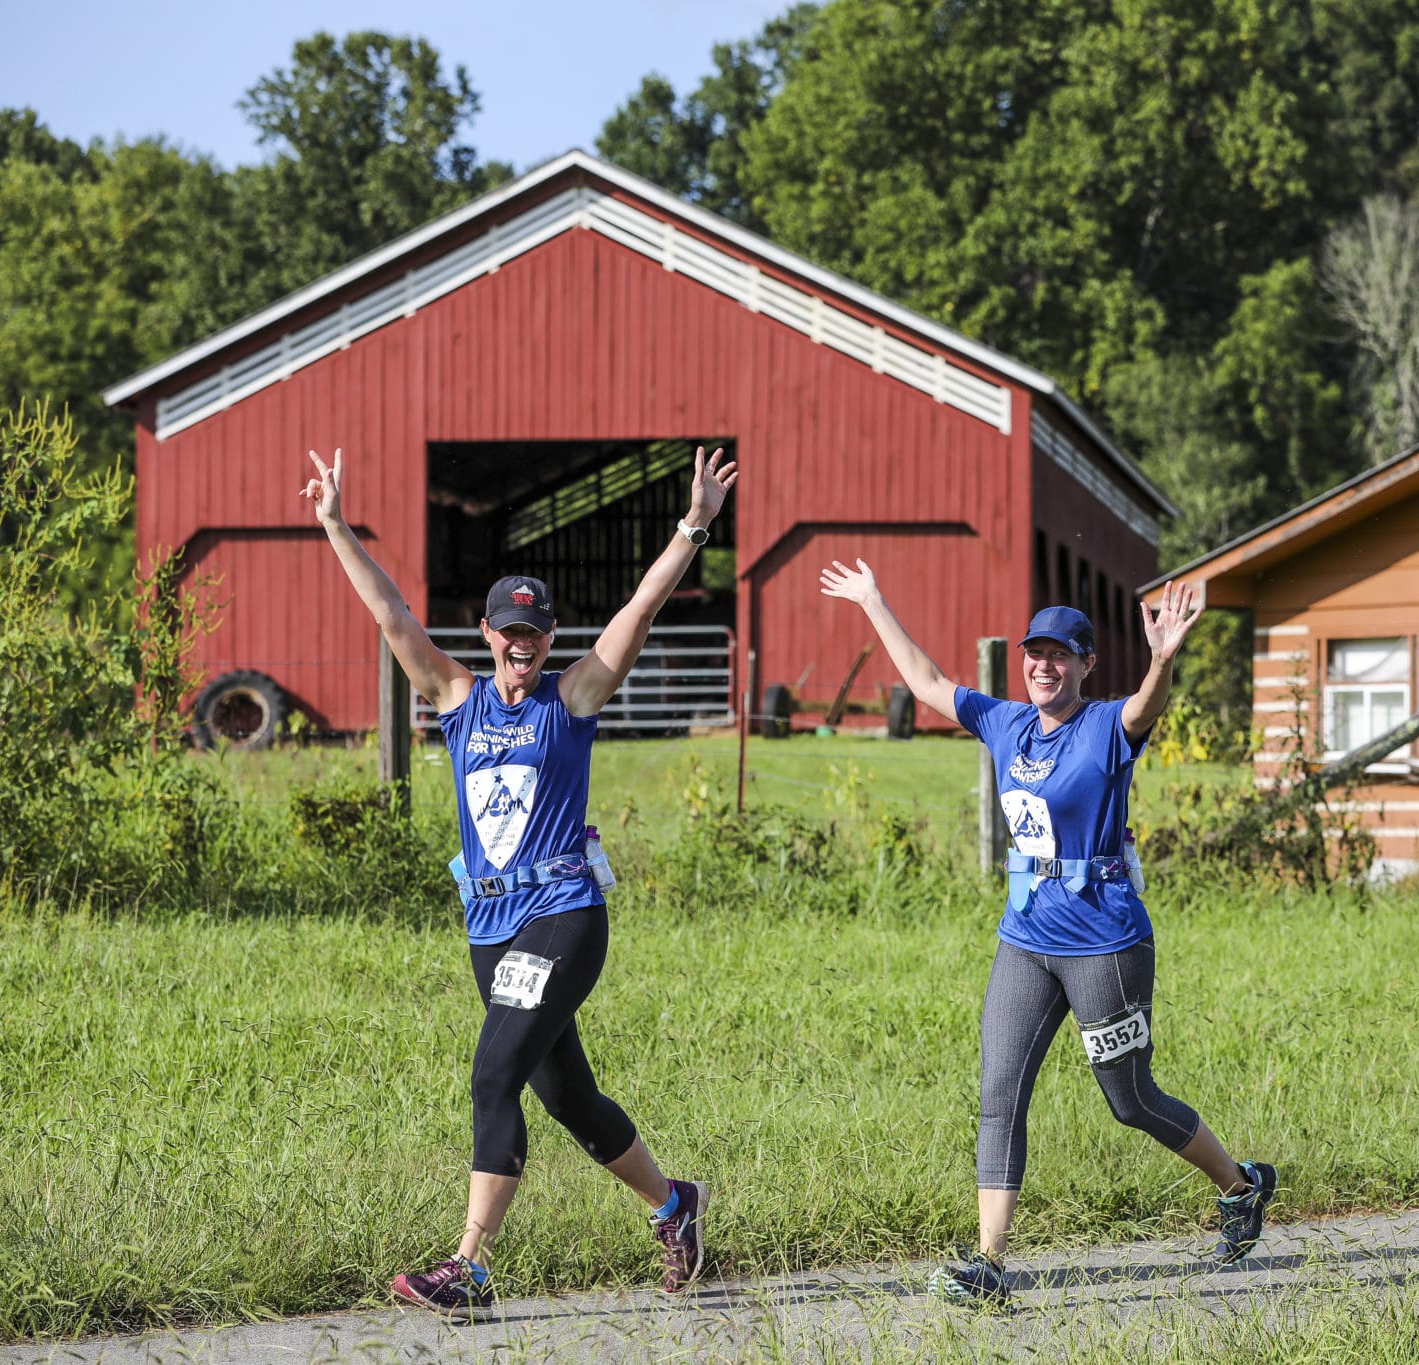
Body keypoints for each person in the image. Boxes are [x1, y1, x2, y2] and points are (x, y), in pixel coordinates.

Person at [301, 444, 738, 1318]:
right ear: (488, 634)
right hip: (490, 927)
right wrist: (336, 525)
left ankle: (470, 1266)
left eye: (537, 634)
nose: (523, 646)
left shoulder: (568, 703)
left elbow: (638, 611)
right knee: (566, 1092)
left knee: (493, 1074)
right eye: (511, 632)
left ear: (548, 641)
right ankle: (674, 1203)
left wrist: (693, 526)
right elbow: (392, 621)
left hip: (565, 913)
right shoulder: (458, 701)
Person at [817, 561, 1276, 1308]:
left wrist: (1162, 658)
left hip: (1105, 943)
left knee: (1130, 1100)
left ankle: (1240, 1185)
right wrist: (874, 599)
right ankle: (990, 1262)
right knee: (1000, 1089)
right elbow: (931, 683)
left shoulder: (1104, 727)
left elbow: (1143, 708)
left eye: (1060, 654)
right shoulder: (1005, 722)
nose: (1043, 664)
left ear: (1087, 664)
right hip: (1025, 938)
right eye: (1036, 652)